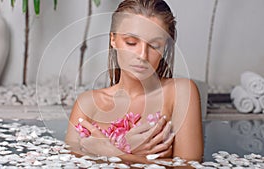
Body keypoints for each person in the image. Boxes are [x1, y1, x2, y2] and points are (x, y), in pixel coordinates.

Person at [65, 0, 203, 163]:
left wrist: (114, 153)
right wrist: (127, 153)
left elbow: (188, 166)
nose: (142, 55)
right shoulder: (87, 103)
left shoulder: (181, 92)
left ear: (165, 48)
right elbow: (69, 163)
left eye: (154, 45)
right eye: (131, 42)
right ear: (113, 40)